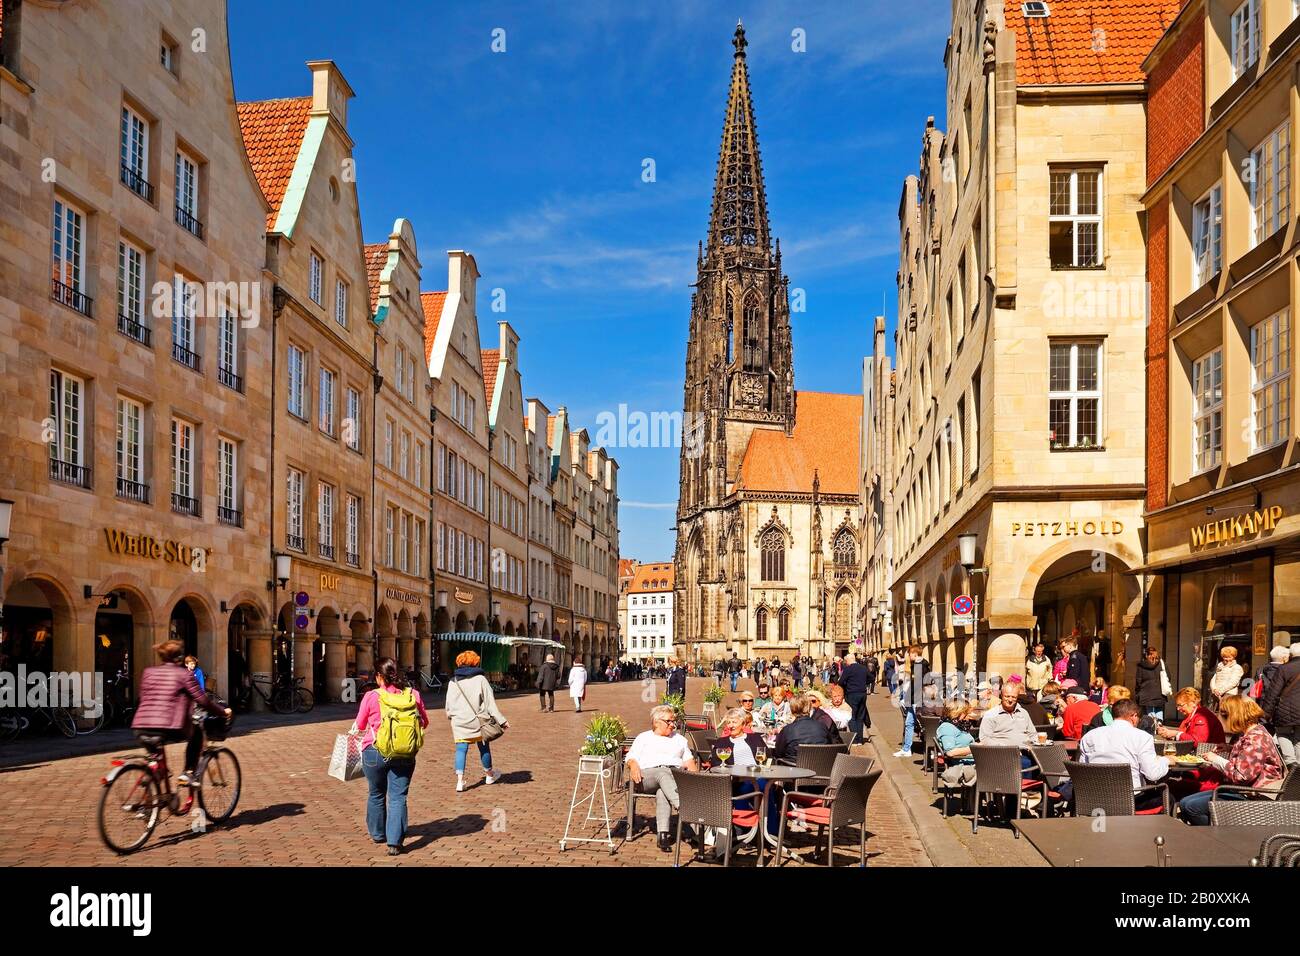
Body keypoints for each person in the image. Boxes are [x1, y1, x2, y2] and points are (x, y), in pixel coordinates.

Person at [354, 657, 429, 853]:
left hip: (374, 751)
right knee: (398, 797)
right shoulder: (413, 694)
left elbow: (360, 725)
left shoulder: (371, 696)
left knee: (376, 792)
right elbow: (424, 722)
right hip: (405, 752)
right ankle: (395, 842)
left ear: (379, 676)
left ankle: (378, 834)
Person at [131, 639, 232, 785]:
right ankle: (188, 772)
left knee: (156, 758)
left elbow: (143, 697)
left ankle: (156, 782)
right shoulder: (184, 674)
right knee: (197, 732)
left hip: (140, 726)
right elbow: (203, 700)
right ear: (179, 658)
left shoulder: (148, 672)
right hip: (169, 726)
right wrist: (223, 711)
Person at [1178, 695, 1286, 825]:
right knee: (1185, 802)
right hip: (1243, 791)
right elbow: (1248, 756)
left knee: (1191, 807)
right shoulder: (1255, 732)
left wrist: (1215, 759)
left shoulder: (1255, 739)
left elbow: (1240, 776)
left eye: (1225, 715)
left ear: (1236, 715)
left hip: (1253, 796)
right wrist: (1229, 748)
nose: (1223, 718)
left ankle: (1218, 836)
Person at [1073, 698, 1174, 811]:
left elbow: (1082, 767)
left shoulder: (1090, 736)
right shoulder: (1142, 737)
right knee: (1169, 797)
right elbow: (1152, 774)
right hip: (1132, 800)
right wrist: (1166, 760)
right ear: (1134, 716)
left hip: (1093, 798)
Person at [625, 705, 698, 852]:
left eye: (674, 721)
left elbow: (690, 762)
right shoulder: (644, 737)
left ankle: (662, 835)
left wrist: (694, 780)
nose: (673, 724)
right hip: (646, 778)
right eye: (669, 721)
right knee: (662, 773)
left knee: (662, 790)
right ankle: (686, 809)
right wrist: (633, 766)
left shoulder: (679, 739)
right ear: (656, 722)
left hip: (672, 779)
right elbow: (630, 757)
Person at [445, 650, 509, 792]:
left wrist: (450, 716)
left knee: (461, 749)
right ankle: (489, 775)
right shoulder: (480, 679)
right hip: (477, 720)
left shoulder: (453, 681)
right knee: (484, 746)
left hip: (459, 721)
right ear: (475, 662)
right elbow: (490, 704)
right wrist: (502, 721)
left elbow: (448, 704)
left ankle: (460, 781)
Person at [1260, 642, 1300, 769]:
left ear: (1291, 654)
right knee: (1299, 737)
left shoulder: (1284, 668)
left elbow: (1273, 692)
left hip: (1284, 709)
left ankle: (1290, 762)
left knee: (1283, 733)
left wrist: (1266, 711)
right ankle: (1298, 766)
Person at [773, 694, 836, 764]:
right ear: (809, 708)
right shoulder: (822, 727)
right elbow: (831, 747)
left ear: (792, 710)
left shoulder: (787, 730)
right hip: (820, 769)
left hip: (793, 770)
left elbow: (778, 753)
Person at [1155, 686, 1225, 746]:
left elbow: (1198, 742)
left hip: (1210, 754)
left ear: (1192, 703)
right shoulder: (1192, 716)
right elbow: (1185, 737)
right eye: (1177, 705)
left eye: (1180, 705)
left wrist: (1175, 733)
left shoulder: (1202, 716)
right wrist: (1169, 734)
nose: (1178, 709)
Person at [936, 700, 977, 788]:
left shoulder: (959, 726)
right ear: (959, 713)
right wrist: (975, 749)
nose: (969, 717)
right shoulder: (946, 727)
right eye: (967, 714)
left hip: (973, 760)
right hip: (965, 763)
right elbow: (950, 752)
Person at [838, 653, 870, 739]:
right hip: (862, 694)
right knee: (860, 716)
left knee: (852, 716)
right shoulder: (863, 668)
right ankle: (860, 739)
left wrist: (847, 685)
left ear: (849, 660)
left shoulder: (848, 669)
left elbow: (841, 682)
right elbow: (871, 678)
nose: (846, 663)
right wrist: (863, 683)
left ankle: (855, 739)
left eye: (846, 661)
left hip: (852, 694)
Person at [1133, 646, 1169, 720]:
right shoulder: (1162, 664)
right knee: (1159, 710)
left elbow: (1138, 681)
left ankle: (1152, 726)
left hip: (1146, 693)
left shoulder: (1141, 665)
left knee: (1150, 712)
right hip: (1160, 693)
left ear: (1146, 655)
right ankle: (1159, 724)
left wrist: (1137, 693)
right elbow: (1168, 676)